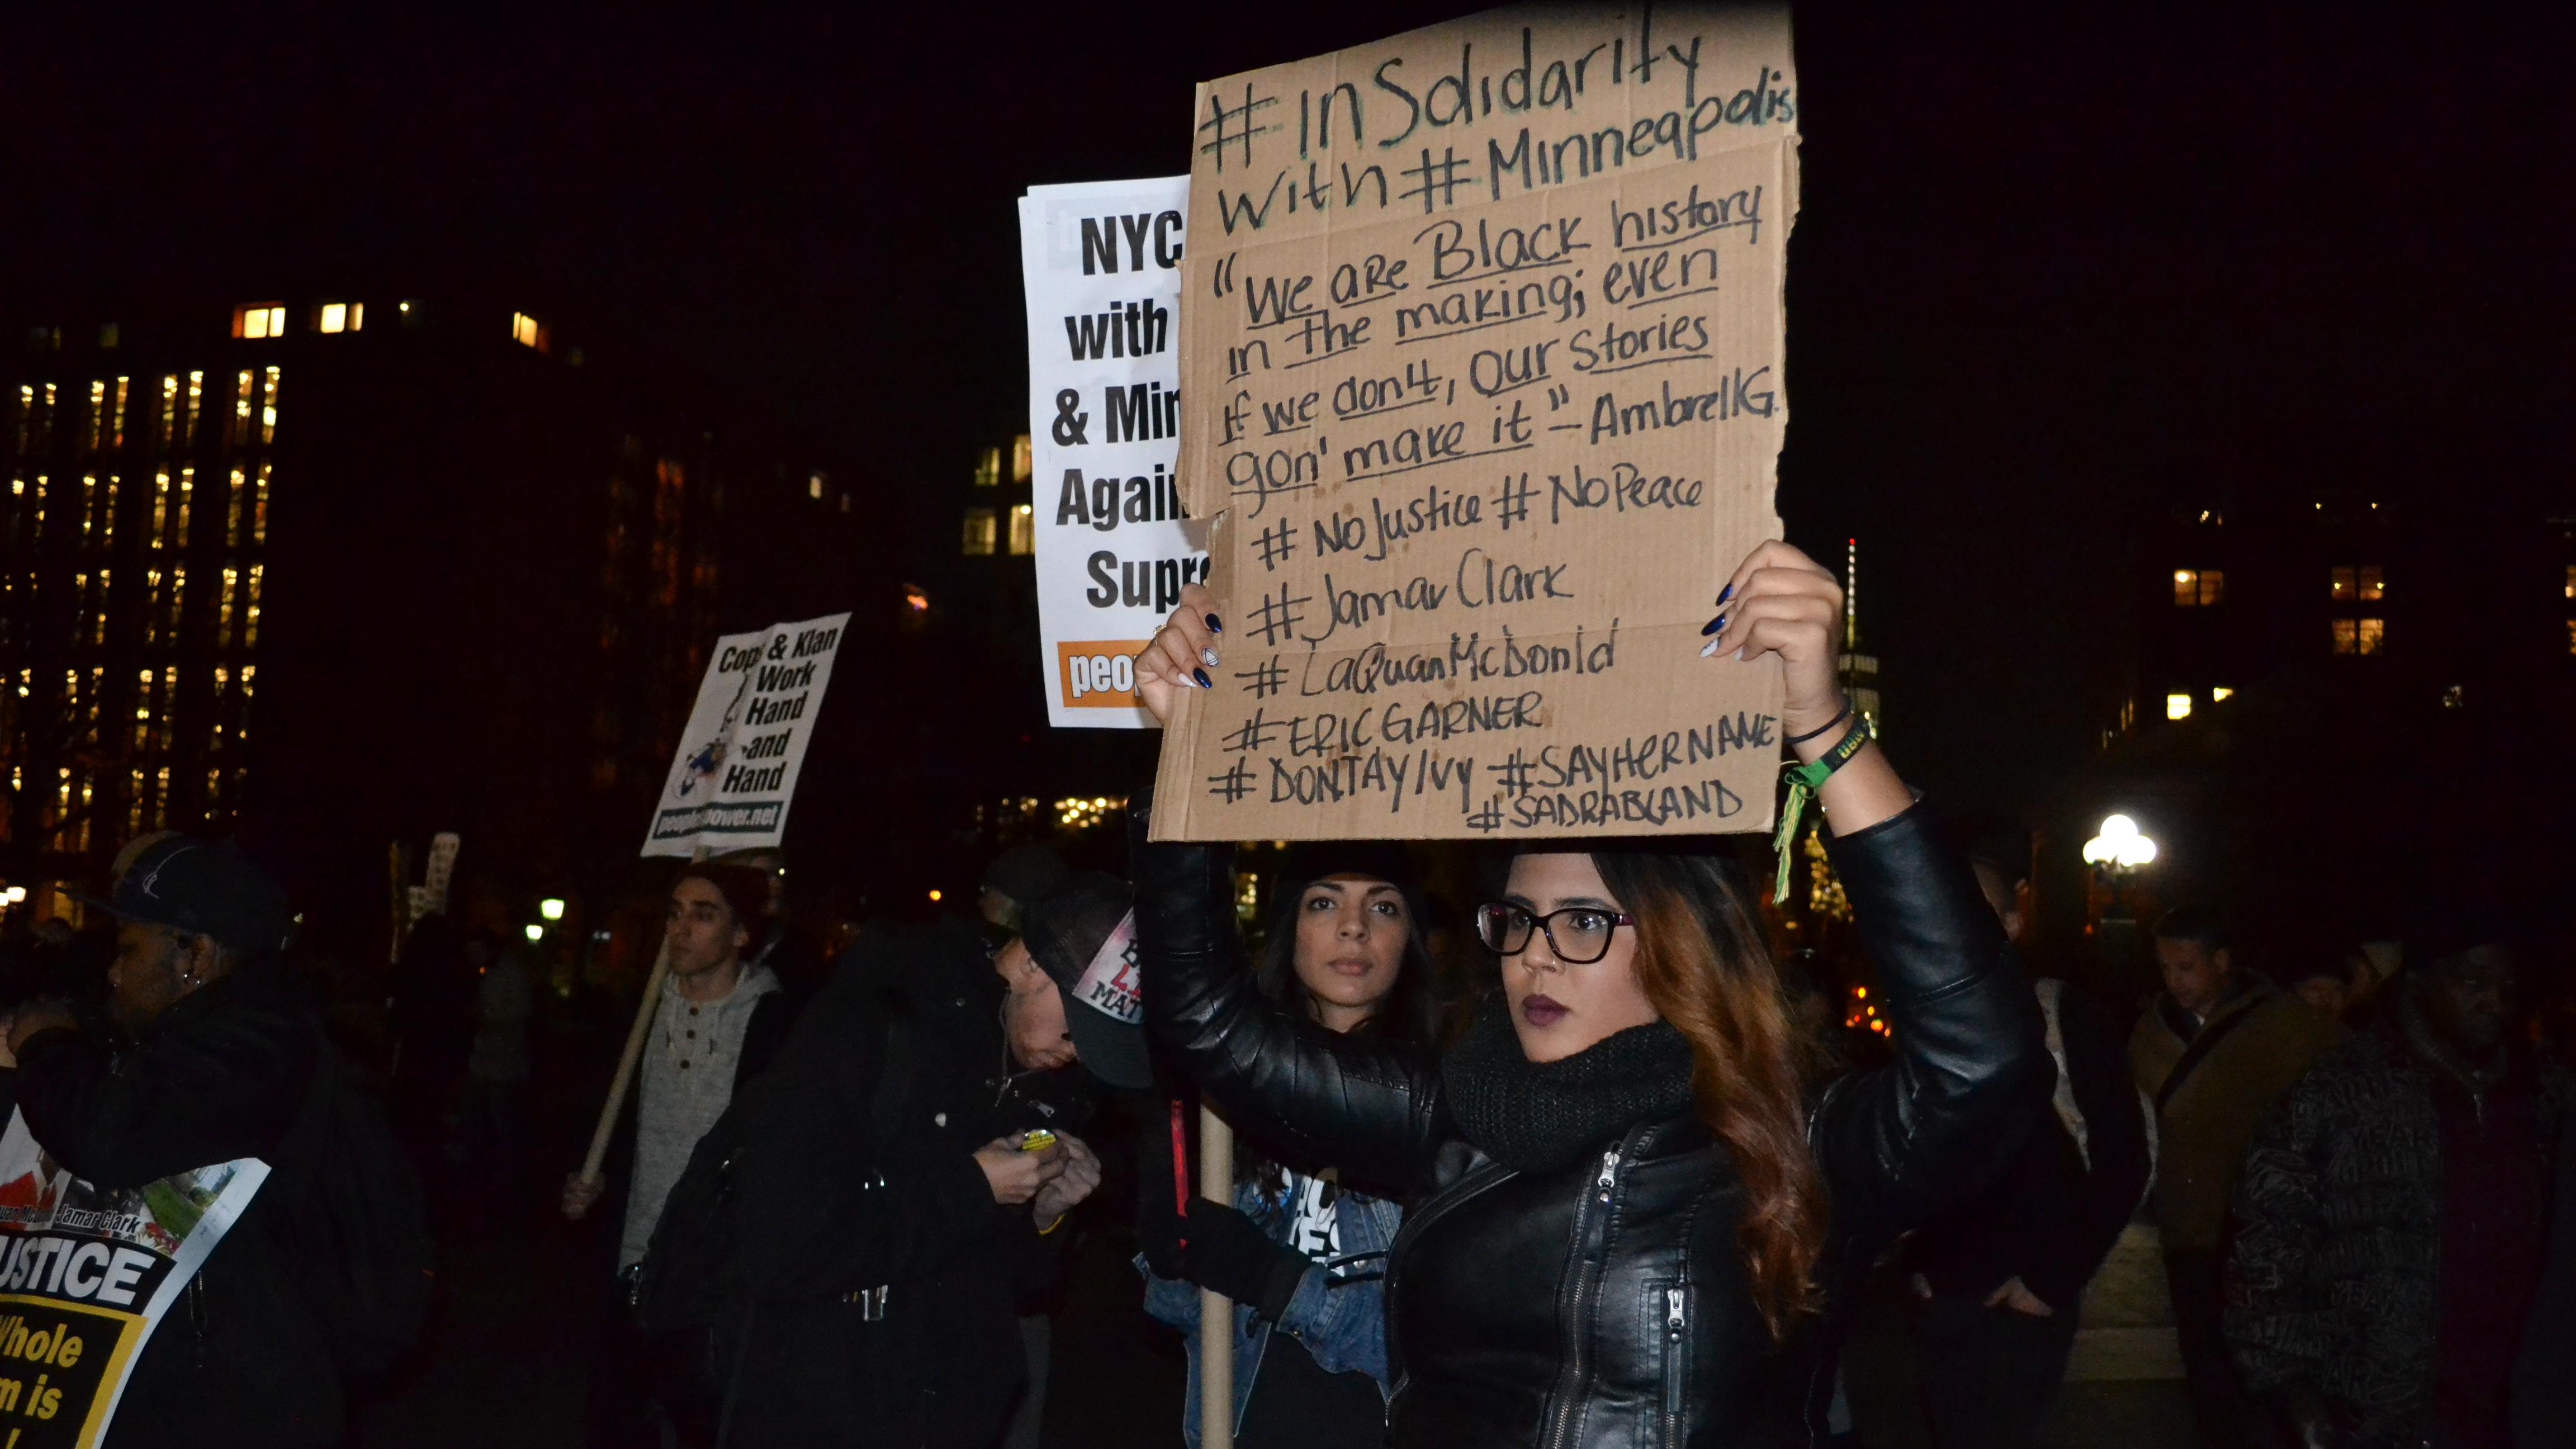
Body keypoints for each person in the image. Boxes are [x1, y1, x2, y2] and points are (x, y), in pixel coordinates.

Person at [1125, 542, 2049, 1446]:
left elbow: (1983, 1060)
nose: (1534, 957)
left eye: (1580, 922)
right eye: (1515, 921)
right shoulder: (1451, 1116)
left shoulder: (1795, 1143)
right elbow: (1212, 1026)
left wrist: (1822, 727)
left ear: (1682, 951)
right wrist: (1183, 767)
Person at [687, 869, 1138, 1446]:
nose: (1077, 1057)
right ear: (1028, 964)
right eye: (1079, 1033)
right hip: (823, 1406)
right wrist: (973, 1186)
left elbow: (1014, 1285)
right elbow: (778, 1245)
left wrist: (1046, 1215)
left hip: (949, 1416)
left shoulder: (1048, 1079)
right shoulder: (873, 1022)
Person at [3, 835, 422, 1446]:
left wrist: (45, 1047)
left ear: (194, 954)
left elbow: (110, 1134)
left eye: (128, 949)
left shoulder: (262, 1046)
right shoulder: (196, 1041)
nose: (114, 974)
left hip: (236, 1405)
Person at [1137, 844, 1439, 1447]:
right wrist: (1170, 1260)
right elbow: (1191, 1318)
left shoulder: (1444, 1107)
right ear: (1288, 930)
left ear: (1410, 940)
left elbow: (1437, 1354)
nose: (1354, 928)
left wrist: (1283, 1286)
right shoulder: (1229, 1100)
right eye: (1324, 903)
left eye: (1383, 909)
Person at [2229, 929, 2573, 1448]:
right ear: (2421, 983)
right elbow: (2267, 1245)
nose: (2495, 1002)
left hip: (2524, 1404)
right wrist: (2291, 1386)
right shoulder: (2339, 1093)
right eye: (2474, 982)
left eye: (2507, 985)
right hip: (2377, 1413)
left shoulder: (2548, 1096)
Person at [1902, 844, 2152, 1449]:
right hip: (1947, 1297)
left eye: (1981, 910)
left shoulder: (2063, 1015)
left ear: (2013, 920)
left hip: (2027, 1297)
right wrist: (1918, 1262)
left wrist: (2050, 1282)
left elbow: (2125, 1159)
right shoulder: (1923, 1022)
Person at [564, 863, 794, 1448]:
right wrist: (586, 1182)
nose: (681, 928)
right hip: (633, 1261)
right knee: (615, 1422)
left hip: (715, 1277)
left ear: (742, 934)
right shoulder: (638, 1019)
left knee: (707, 1427)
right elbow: (600, 1125)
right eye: (674, 912)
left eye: (703, 914)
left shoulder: (773, 1029)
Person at [2129, 904, 2340, 1447]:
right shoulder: (2149, 1034)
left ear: (2221, 962)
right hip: (2188, 1231)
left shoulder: (2285, 1025)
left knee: (2271, 1369)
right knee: (2206, 1369)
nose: (2175, 982)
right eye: (2166, 968)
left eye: (2187, 967)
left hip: (2269, 1233)